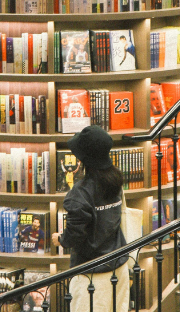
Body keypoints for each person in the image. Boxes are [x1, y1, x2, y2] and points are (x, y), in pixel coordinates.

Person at [51, 125, 129, 312]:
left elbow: (75, 236)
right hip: (119, 266)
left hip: (91, 275)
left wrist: (60, 240)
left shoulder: (79, 193)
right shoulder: (116, 181)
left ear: (84, 159)